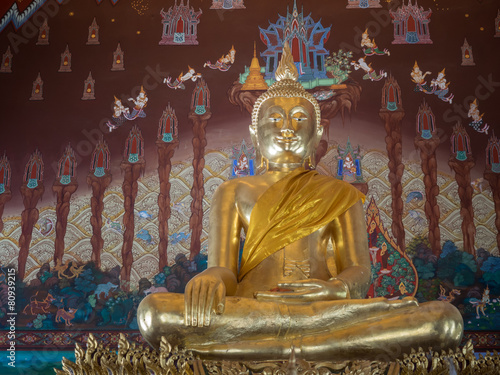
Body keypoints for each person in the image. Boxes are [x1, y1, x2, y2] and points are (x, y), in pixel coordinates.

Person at [138, 42, 463, 362]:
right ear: (254, 134)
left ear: (318, 132)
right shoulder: (233, 190)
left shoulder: (341, 193)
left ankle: (267, 346)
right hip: (254, 309)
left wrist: (332, 290)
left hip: (324, 310)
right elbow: (223, 269)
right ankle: (317, 346)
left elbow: (360, 270)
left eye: (298, 119)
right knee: (154, 314)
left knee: (444, 320)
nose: (287, 129)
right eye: (275, 119)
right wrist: (210, 279)